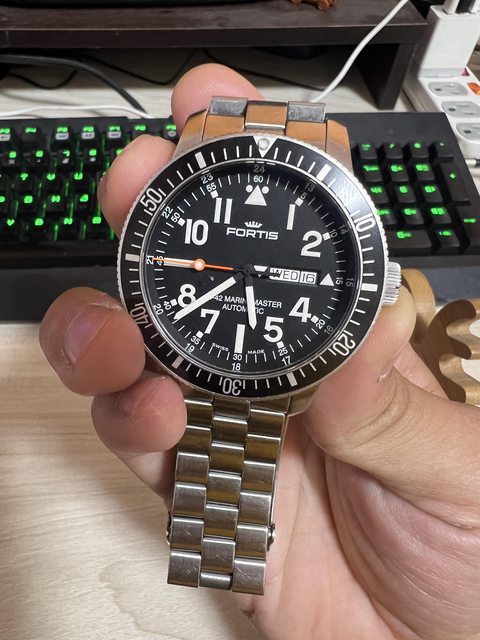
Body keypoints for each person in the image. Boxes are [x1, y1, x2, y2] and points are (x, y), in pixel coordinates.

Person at [39, 64, 480, 640]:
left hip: (262, 373)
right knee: (143, 397)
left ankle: (226, 542)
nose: (248, 272)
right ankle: (222, 542)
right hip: (204, 365)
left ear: (373, 277)